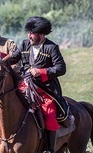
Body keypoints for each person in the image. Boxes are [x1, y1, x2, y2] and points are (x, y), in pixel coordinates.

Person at [8, 16, 66, 153]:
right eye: (28, 33)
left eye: (32, 33)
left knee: (50, 113)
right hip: (23, 86)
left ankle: (50, 149)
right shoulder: (24, 44)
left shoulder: (51, 48)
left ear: (41, 33)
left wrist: (41, 71)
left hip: (44, 89)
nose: (29, 36)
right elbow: (13, 58)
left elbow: (61, 68)